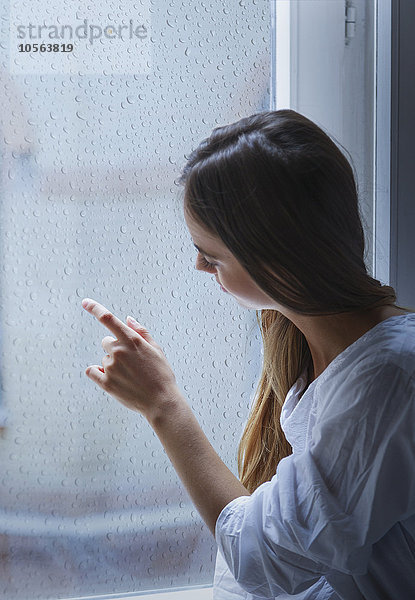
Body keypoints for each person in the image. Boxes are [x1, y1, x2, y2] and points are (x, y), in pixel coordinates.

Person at [82, 109, 415, 599]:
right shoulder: (320, 353)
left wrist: (163, 405)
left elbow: (262, 557)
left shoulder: (388, 379)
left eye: (212, 256)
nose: (198, 265)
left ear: (275, 259)